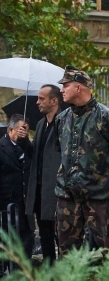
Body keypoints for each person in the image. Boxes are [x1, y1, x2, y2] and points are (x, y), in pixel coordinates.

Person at [54, 66, 109, 256]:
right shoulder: (62, 119)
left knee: (106, 251)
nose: (61, 89)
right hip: (67, 196)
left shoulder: (108, 118)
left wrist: (104, 169)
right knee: (67, 254)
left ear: (79, 87)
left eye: (65, 85)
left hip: (99, 197)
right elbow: (62, 151)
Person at [26, 84, 62, 264]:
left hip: (57, 192)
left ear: (54, 101)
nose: (37, 102)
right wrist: (25, 141)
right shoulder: (40, 124)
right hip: (40, 192)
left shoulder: (64, 122)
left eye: (41, 98)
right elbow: (36, 155)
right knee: (45, 234)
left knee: (61, 237)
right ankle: (49, 272)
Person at [0, 114, 34, 260]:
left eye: (25, 129)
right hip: (7, 203)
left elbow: (34, 157)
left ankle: (25, 271)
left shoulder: (27, 146)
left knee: (27, 238)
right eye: (20, 129)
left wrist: (25, 140)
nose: (23, 132)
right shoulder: (2, 147)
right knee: (8, 240)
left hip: (25, 203)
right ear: (10, 130)